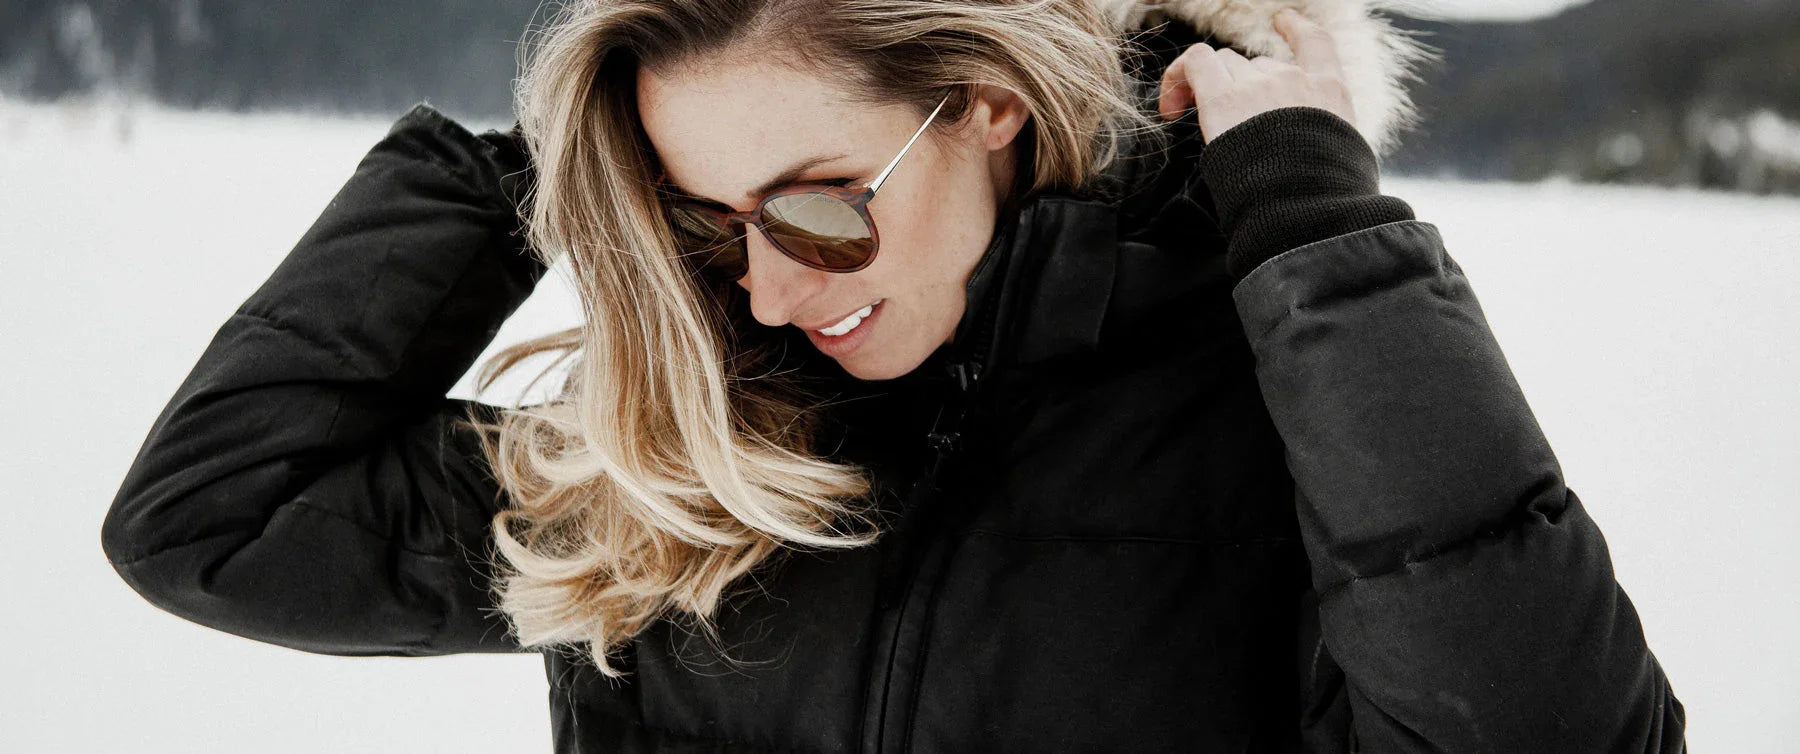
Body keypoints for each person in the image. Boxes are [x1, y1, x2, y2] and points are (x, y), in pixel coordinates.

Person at [101, 0, 1686, 751]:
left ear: (988, 98)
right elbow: (219, 519)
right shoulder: (693, 443)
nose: (775, 287)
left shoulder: (1277, 424)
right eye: (703, 222)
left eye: (815, 203)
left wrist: (1315, 213)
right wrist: (566, 175)